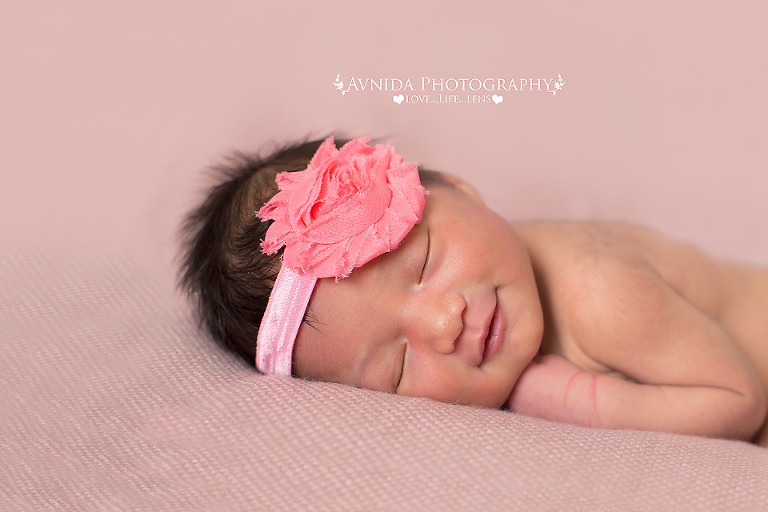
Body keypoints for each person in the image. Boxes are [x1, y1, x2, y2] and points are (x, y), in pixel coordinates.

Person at [179, 136, 768, 446]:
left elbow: (740, 398)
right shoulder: (503, 269)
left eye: (425, 261)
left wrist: (582, 403)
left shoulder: (600, 292)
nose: (443, 324)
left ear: (460, 188)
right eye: (397, 368)